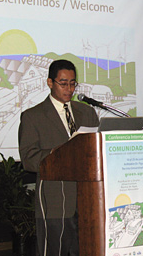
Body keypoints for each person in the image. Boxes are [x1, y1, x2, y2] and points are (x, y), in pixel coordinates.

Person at [18, 59, 99, 256]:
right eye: (63, 83)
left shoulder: (87, 112)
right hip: (54, 201)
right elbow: (29, 159)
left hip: (88, 200)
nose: (69, 88)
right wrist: (60, 154)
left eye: (73, 83)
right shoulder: (32, 116)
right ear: (49, 82)